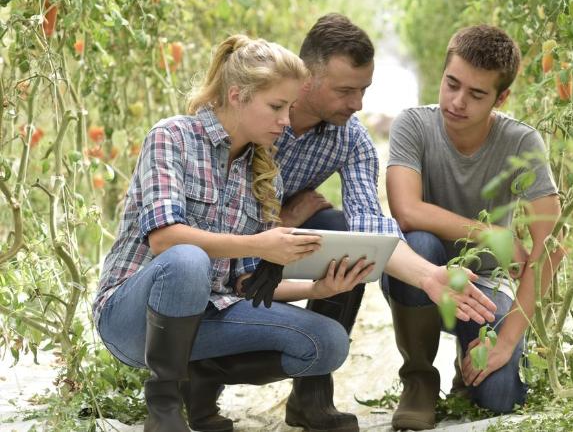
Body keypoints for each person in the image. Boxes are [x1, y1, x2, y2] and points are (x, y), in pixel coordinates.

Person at [92, 35, 374, 432]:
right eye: (276, 107)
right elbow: (164, 239)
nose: (286, 121)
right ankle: (165, 407)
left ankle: (201, 376)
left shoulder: (263, 176)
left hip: (206, 319)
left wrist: (318, 290)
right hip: (133, 321)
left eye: (289, 108)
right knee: (188, 258)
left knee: (327, 342)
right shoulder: (172, 137)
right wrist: (262, 244)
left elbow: (243, 285)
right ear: (238, 95)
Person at [242, 13, 499, 432]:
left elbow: (371, 227)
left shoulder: (351, 138)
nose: (357, 104)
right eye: (346, 90)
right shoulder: (256, 111)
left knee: (346, 235)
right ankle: (190, 382)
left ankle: (311, 396)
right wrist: (281, 219)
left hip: (279, 246)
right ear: (306, 78)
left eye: (363, 90)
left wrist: (430, 275)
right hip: (230, 241)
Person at [382, 25, 566, 430]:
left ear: (501, 98)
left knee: (499, 398)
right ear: (443, 74)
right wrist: (492, 235)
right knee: (420, 241)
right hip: (422, 278)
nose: (457, 102)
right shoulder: (414, 125)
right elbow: (406, 210)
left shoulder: (521, 142)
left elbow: (550, 245)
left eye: (476, 94)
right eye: (452, 84)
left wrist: (508, 339)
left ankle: (466, 373)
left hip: (483, 284)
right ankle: (418, 379)